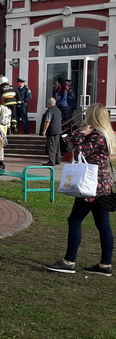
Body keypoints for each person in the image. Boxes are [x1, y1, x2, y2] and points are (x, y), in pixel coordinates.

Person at [46, 103, 114, 276]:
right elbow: (67, 143)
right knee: (103, 225)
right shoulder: (105, 133)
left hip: (90, 185)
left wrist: (79, 134)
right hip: (101, 183)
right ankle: (105, 265)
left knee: (75, 221)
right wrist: (80, 134)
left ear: (93, 117)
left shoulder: (96, 135)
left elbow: (80, 153)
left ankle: (69, 261)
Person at [39, 97, 63, 166]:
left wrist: (44, 130)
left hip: (52, 131)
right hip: (58, 130)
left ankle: (52, 161)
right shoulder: (58, 110)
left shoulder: (50, 111)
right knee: (57, 146)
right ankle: (57, 160)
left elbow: (47, 121)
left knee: (51, 146)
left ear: (48, 103)